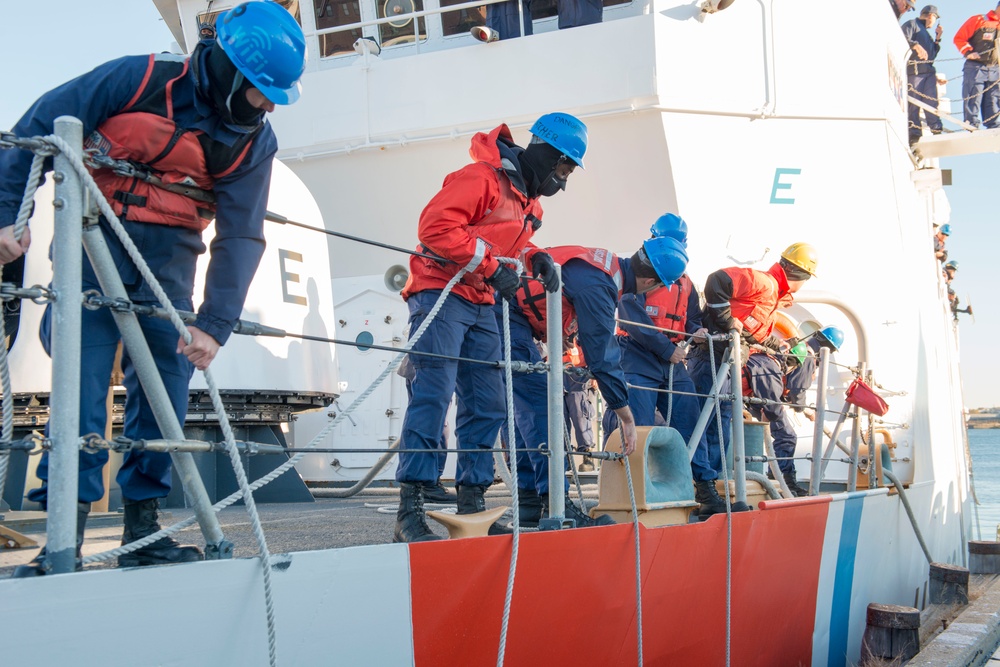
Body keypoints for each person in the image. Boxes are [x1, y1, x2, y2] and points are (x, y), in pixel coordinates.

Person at [0, 1, 306, 575]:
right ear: (229, 70)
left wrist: (214, 325)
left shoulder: (252, 142)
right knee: (78, 385)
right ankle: (64, 536)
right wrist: (4, 217)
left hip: (172, 262)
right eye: (262, 91)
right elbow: (37, 127)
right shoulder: (136, 78)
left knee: (164, 389)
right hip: (93, 241)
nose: (265, 105)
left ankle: (144, 532)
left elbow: (241, 236)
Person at [393, 112, 587, 543]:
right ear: (549, 153)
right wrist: (488, 264)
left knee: (489, 403)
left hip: (481, 302)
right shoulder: (481, 178)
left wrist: (533, 256)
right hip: (441, 291)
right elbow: (435, 227)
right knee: (433, 390)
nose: (565, 178)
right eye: (564, 166)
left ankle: (472, 503)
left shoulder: (528, 203)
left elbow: (502, 242)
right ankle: (411, 508)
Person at [505, 237, 688, 527]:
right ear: (650, 281)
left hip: (510, 312)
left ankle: (530, 501)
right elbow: (602, 356)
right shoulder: (602, 285)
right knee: (542, 409)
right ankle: (556, 506)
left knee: (528, 410)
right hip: (506, 312)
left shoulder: (605, 265)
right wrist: (624, 414)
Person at [686, 243, 818, 508]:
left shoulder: (772, 297)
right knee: (705, 423)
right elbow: (717, 281)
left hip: (728, 363)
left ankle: (710, 489)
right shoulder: (764, 283)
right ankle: (701, 488)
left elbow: (750, 328)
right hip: (711, 359)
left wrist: (772, 345)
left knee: (720, 427)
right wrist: (725, 320)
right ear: (802, 277)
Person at [953, 2, 1000, 129]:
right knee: (974, 95)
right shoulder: (979, 20)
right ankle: (971, 123)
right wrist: (968, 52)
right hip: (976, 67)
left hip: (995, 69)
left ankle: (993, 125)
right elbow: (959, 38)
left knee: (994, 98)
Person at [902, 6, 944, 145]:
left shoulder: (927, 33)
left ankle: (936, 129)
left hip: (928, 72)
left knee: (931, 102)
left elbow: (931, 55)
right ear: (931, 16)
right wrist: (915, 45)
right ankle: (914, 133)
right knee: (914, 104)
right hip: (915, 72)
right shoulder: (912, 24)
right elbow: (902, 38)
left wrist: (938, 39)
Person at [783, 326, 845, 418]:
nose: (830, 353)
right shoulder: (808, 358)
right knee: (785, 433)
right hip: (773, 399)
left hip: (765, 393)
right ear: (828, 347)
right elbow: (797, 389)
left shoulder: (799, 347)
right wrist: (805, 410)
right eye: (831, 351)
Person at [562, 343, 597, 472]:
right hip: (554, 369)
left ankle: (587, 455)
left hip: (579, 372)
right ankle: (564, 459)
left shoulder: (583, 325)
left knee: (580, 416)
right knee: (559, 419)